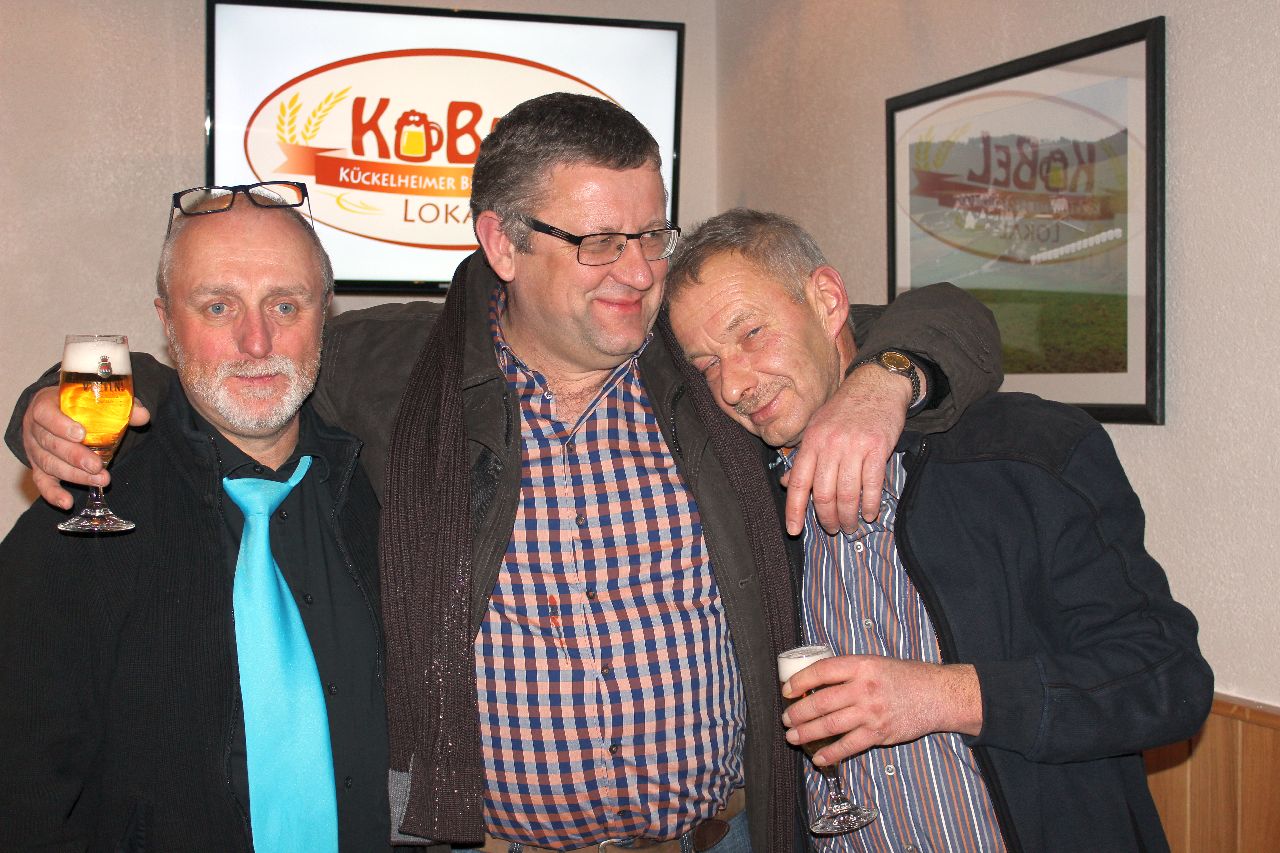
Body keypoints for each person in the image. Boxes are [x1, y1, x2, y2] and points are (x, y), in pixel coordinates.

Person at [8, 95, 1003, 853]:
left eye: (649, 235)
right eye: (597, 241)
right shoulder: (398, 369)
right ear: (502, 242)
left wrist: (886, 378)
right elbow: (238, 370)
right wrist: (56, 405)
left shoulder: (706, 363)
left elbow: (941, 318)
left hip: (724, 833)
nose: (636, 271)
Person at [664, 208, 1214, 852]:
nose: (733, 384)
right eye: (708, 364)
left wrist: (944, 696)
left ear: (827, 301)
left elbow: (1169, 681)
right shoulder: (749, 501)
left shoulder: (1025, 452)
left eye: (752, 333)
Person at [0, 191, 391, 852]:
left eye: (285, 305)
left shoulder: (377, 492)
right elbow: (21, 791)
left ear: (324, 314)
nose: (256, 342)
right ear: (167, 322)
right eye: (218, 306)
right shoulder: (81, 525)